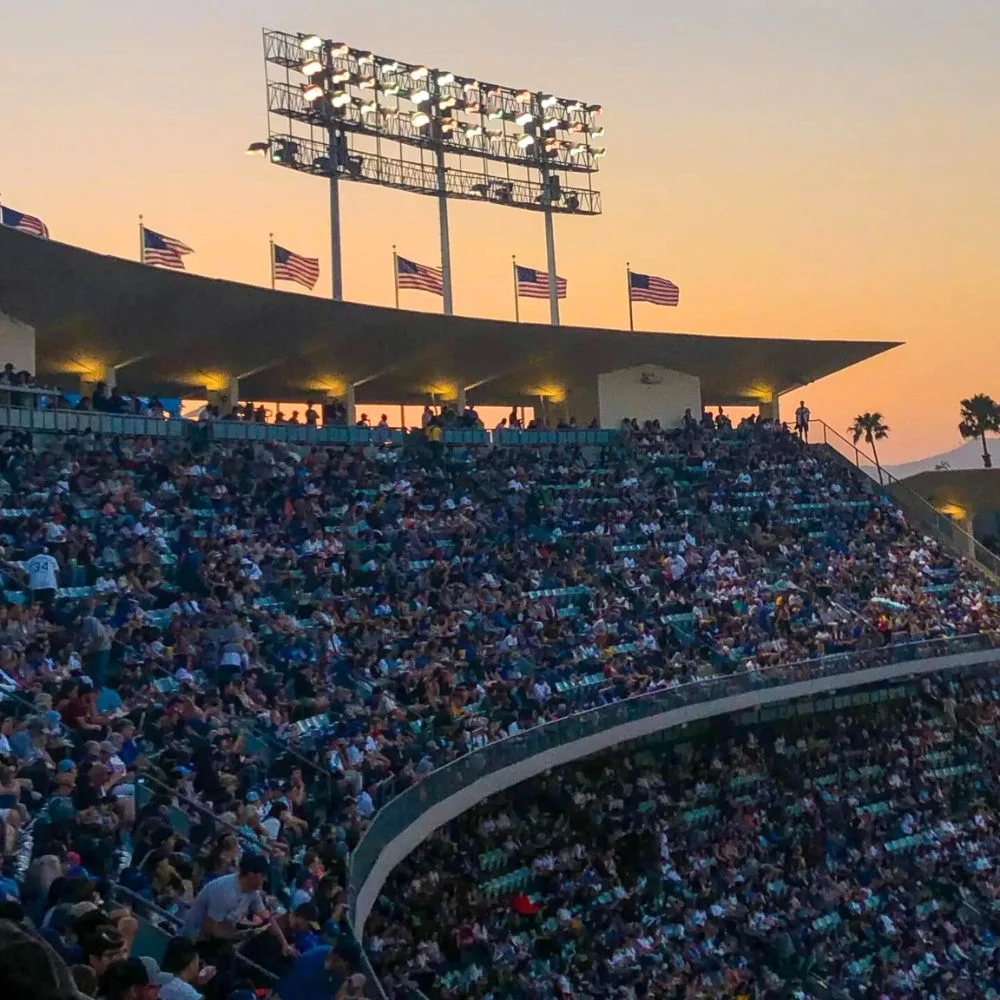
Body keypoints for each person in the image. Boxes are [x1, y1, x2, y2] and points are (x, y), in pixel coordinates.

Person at [276, 940, 365, 1000]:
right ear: (340, 961)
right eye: (349, 969)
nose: (348, 974)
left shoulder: (334, 963)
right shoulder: (308, 968)